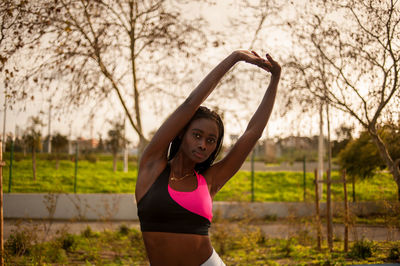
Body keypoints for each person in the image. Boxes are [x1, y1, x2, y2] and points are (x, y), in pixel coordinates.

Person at [136, 50, 281, 266]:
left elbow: (253, 133)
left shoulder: (210, 180)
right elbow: (189, 104)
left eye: (211, 140)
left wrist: (275, 80)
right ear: (181, 133)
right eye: (197, 135)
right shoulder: (152, 166)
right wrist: (235, 58)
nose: (203, 144)